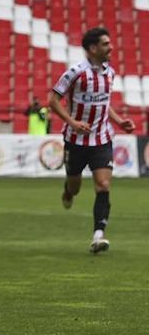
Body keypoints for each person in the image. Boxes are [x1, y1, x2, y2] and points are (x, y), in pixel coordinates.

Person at [48, 26, 135, 254]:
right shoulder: (75, 72)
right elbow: (53, 101)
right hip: (76, 140)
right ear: (93, 48)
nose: (111, 47)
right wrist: (72, 122)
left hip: (102, 138)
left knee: (103, 185)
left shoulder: (110, 73)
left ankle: (98, 236)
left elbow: (104, 104)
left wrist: (118, 121)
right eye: (106, 44)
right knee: (75, 187)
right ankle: (68, 191)